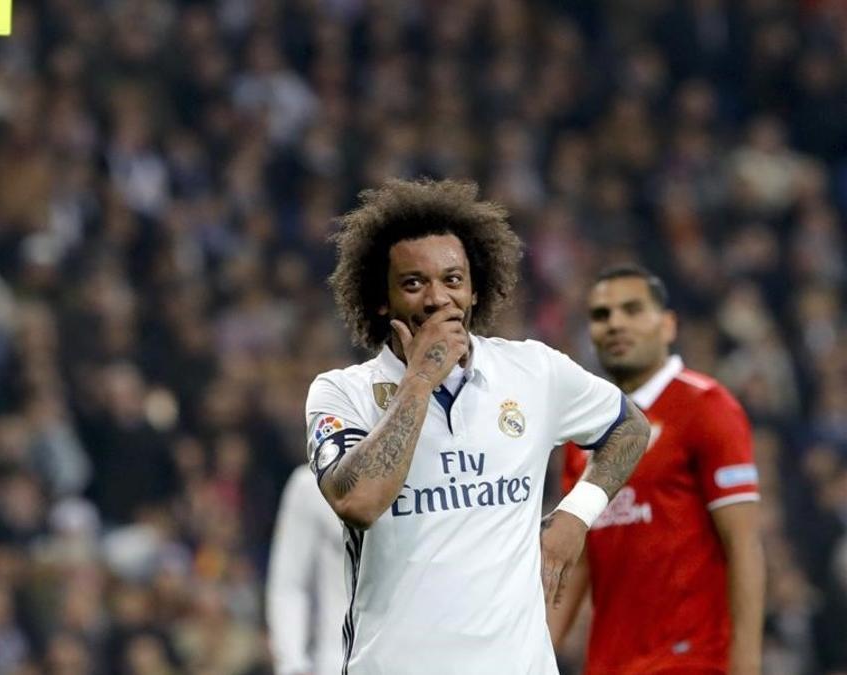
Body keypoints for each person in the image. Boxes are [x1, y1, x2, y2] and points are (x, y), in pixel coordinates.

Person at [304, 178, 651, 674]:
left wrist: (576, 514)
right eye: (413, 283)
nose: (437, 298)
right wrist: (421, 377)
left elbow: (631, 427)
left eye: (452, 279)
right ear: (381, 300)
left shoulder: (534, 372)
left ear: (474, 291)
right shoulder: (343, 394)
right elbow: (358, 502)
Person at [548, 264, 765, 674]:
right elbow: (577, 560)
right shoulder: (584, 433)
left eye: (632, 310)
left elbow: (744, 546)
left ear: (668, 325)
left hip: (693, 661)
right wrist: (531, 654)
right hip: (609, 664)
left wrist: (747, 667)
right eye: (601, 315)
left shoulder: (707, 407)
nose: (615, 323)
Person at [266, 466, 348, 675]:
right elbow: (289, 585)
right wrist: (292, 664)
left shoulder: (435, 475)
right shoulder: (311, 484)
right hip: (338, 661)